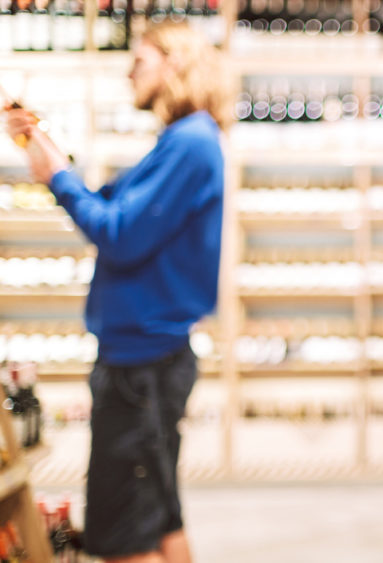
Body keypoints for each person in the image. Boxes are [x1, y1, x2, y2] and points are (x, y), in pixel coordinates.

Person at [4, 23, 229, 563]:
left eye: (140, 60)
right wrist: (50, 153)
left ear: (174, 64)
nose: (130, 71)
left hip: (141, 368)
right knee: (157, 516)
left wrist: (58, 178)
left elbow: (119, 234)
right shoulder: (182, 140)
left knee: (123, 535)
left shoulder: (191, 141)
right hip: (148, 359)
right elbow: (113, 203)